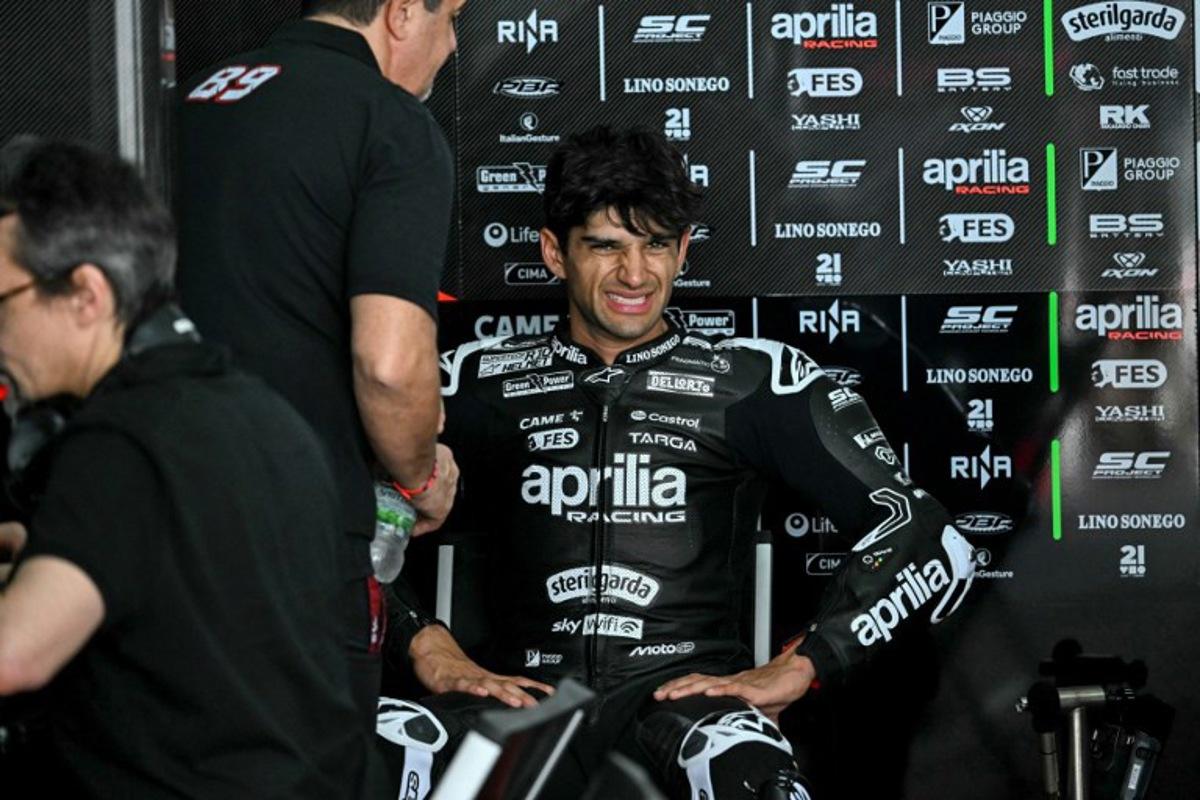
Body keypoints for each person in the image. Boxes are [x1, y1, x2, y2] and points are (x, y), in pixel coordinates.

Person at [377, 126, 977, 799]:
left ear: (683, 249)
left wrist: (804, 665)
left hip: (688, 709)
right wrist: (422, 643)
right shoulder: (470, 380)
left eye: (656, 245)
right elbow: (326, 514)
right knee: (371, 749)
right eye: (606, 246)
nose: (635, 275)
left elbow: (932, 540)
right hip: (520, 705)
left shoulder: (757, 381)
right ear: (554, 252)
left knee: (749, 777)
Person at [0, 140, 381, 797]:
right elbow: (191, 600)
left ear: (86, 294)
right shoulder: (263, 414)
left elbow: (13, 658)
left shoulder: (121, 438)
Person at [175, 0, 465, 727]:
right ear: (402, 13)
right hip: (293, 530)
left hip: (151, 509)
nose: (454, 45)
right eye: (452, 18)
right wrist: (421, 473)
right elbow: (390, 365)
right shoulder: (389, 123)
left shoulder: (189, 99)